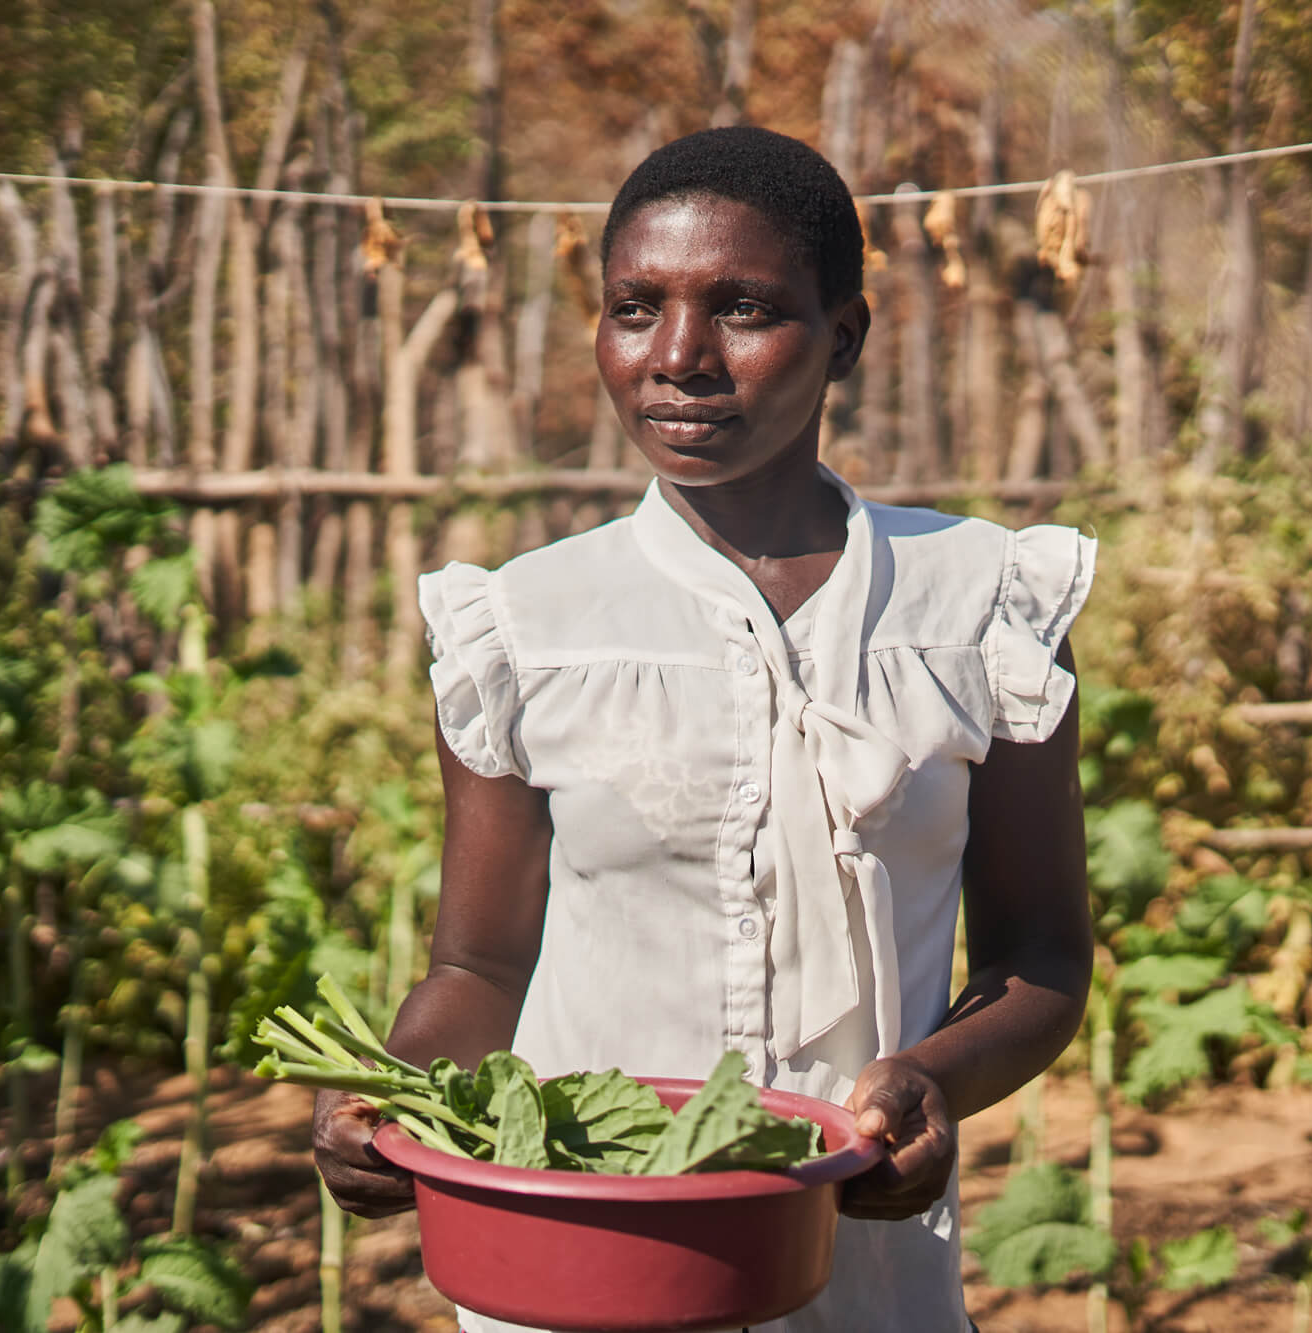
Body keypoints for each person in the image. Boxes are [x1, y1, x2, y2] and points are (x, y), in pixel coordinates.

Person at [314, 125, 1096, 1332]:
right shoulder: (524, 624)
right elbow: (479, 967)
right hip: (579, 1257)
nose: (679, 357)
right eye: (636, 307)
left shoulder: (984, 605)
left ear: (842, 336)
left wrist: (931, 1082)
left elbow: (1039, 952)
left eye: (741, 308)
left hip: (856, 1258)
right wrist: (382, 1098)